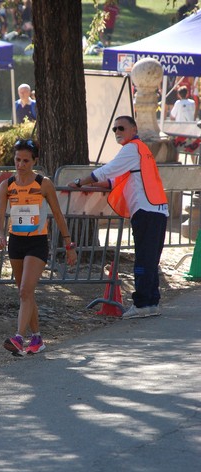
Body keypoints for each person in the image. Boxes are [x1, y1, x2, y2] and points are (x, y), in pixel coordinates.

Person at [67, 115, 169, 320]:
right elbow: (114, 180)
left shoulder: (131, 148)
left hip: (146, 210)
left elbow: (107, 171)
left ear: (134, 129)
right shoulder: (141, 151)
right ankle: (151, 302)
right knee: (150, 259)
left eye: (121, 128)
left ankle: (142, 304)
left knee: (143, 259)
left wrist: (80, 181)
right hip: (157, 209)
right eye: (114, 129)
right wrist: (90, 184)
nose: (117, 132)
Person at [0, 138, 77, 356]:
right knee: (26, 294)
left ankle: (19, 338)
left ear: (34, 161)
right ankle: (37, 338)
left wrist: (69, 245)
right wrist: (0, 234)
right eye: (17, 160)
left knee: (24, 290)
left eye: (26, 161)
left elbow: (58, 215)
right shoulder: (7, 185)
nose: (21, 165)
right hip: (16, 242)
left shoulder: (43, 183)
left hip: (37, 242)